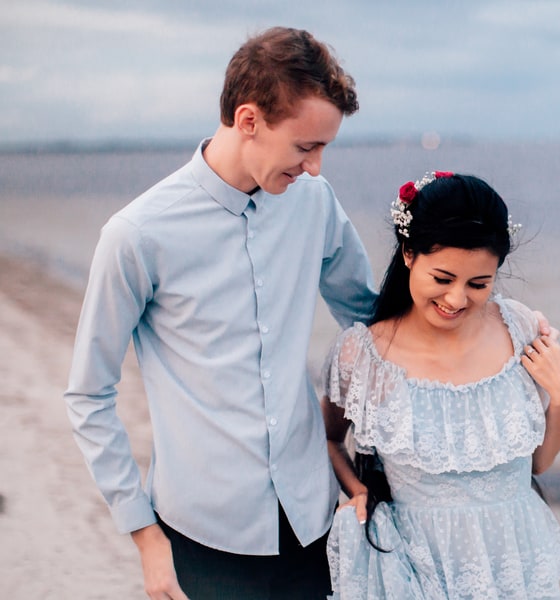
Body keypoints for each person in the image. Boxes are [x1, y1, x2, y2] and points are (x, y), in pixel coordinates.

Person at [64, 27, 379, 599]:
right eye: (306, 146)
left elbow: (374, 321)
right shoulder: (136, 235)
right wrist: (143, 533)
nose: (314, 167)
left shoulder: (316, 204)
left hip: (313, 522)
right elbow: (88, 394)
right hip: (201, 536)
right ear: (249, 119)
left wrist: (478, 319)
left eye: (324, 149)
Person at [321, 171, 560, 599]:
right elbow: (327, 440)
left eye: (479, 284)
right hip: (415, 567)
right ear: (408, 253)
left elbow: (536, 466)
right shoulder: (363, 355)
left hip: (513, 564)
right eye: (443, 279)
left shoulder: (519, 328)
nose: (457, 299)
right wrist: (356, 489)